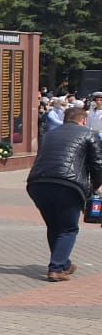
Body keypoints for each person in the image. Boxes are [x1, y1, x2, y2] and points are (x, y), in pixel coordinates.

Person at [26, 106, 102, 282]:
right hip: (69, 185)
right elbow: (98, 164)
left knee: (54, 226)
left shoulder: (49, 135)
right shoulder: (89, 134)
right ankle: (56, 268)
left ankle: (64, 263)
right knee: (68, 228)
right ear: (84, 120)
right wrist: (94, 187)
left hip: (37, 184)